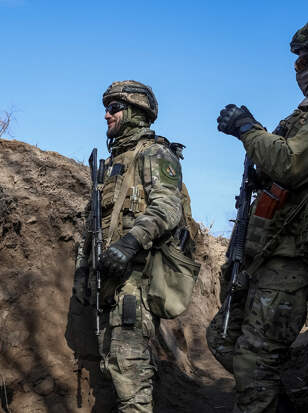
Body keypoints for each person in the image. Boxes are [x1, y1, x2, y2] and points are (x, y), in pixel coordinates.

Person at [207, 15, 308, 413]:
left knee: (254, 360)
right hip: (276, 245)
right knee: (223, 338)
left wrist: (247, 128)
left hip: (299, 251)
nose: (299, 70)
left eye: (305, 60)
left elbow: (292, 166)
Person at [73, 80, 192, 412]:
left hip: (135, 282)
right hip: (109, 281)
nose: (107, 115)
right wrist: (84, 271)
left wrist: (128, 244)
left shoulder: (154, 153)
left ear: (137, 113)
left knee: (130, 373)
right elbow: (93, 228)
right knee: (115, 367)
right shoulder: (112, 164)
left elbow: (168, 208)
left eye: (114, 108)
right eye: (106, 108)